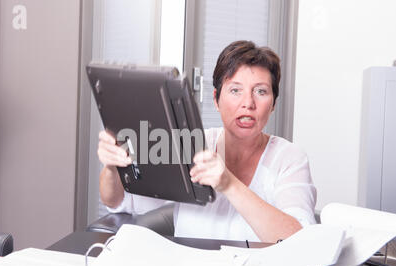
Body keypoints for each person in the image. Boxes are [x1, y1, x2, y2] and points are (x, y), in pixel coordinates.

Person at [97, 40, 317, 243]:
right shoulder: (190, 144)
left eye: (260, 91)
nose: (248, 103)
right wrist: (112, 167)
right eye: (235, 90)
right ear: (216, 99)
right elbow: (117, 201)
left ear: (273, 104)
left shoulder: (289, 158)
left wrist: (229, 184)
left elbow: (300, 241)